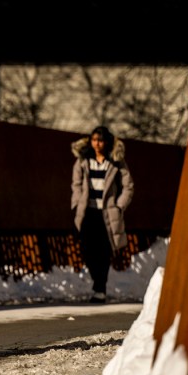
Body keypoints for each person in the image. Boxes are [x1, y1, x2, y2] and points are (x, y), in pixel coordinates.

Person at [70, 125, 134, 303]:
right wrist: (76, 203)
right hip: (87, 212)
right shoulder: (84, 160)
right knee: (87, 249)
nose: (97, 144)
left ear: (106, 142)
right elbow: (75, 184)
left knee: (104, 251)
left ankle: (100, 289)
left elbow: (128, 186)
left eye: (100, 140)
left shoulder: (115, 161)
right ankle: (97, 282)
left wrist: (119, 206)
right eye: (94, 140)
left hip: (107, 213)